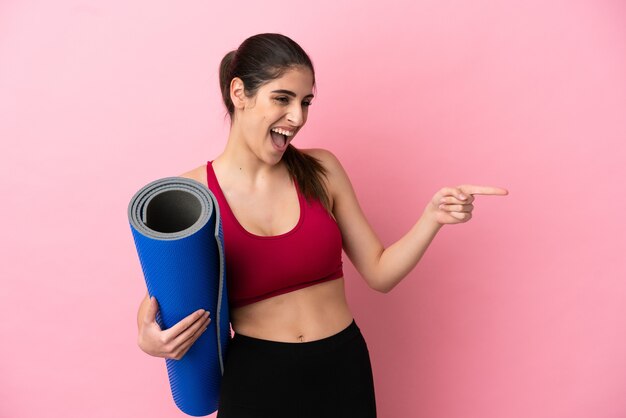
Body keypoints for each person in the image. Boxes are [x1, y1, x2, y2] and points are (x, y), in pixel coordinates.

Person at [136, 33, 508, 417]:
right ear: (239, 92)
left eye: (306, 102)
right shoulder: (194, 193)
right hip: (257, 381)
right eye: (282, 98)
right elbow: (167, 293)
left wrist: (433, 217)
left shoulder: (322, 170)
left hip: (342, 368)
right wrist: (149, 337)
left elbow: (380, 273)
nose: (297, 118)